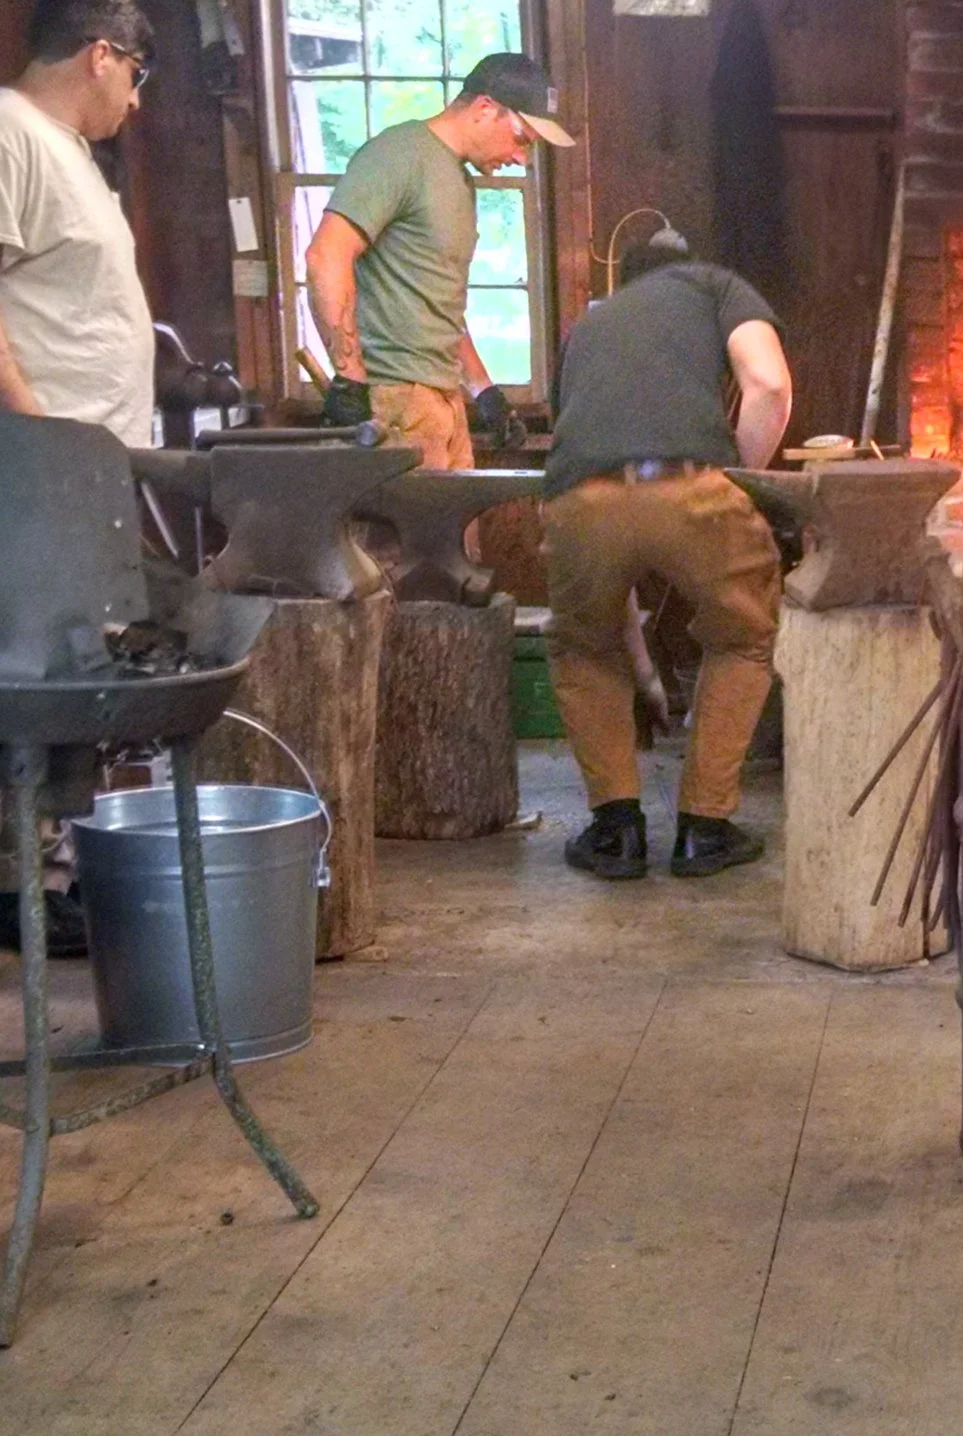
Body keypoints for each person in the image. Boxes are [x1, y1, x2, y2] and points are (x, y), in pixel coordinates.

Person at [0, 0, 157, 953]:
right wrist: (30, 431)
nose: (138, 100)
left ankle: (39, 877)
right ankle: (21, 893)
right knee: (44, 682)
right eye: (137, 75)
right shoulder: (1, 132)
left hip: (80, 470)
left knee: (71, 677)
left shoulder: (65, 152)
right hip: (36, 469)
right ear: (101, 55)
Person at [541, 229, 793, 880]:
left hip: (581, 498)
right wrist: (737, 483)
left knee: (584, 646)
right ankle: (703, 829)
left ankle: (616, 832)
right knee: (742, 637)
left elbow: (569, 426)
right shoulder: (716, 285)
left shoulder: (590, 323)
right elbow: (766, 384)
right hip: (691, 483)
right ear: (689, 265)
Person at [306, 53, 573, 466]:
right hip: (394, 397)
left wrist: (484, 392)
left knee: (452, 530)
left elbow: (436, 299)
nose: (522, 158)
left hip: (442, 397)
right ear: (485, 108)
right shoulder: (399, 154)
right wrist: (350, 381)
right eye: (522, 138)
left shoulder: (459, 181)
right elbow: (326, 254)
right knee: (410, 531)